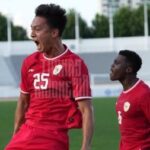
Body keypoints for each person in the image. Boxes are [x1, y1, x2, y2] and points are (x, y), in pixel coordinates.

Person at [5, 3, 94, 150]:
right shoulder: (29, 62)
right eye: (31, 29)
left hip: (53, 136)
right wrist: (16, 136)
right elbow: (23, 102)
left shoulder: (75, 65)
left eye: (37, 29)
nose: (32, 34)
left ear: (54, 33)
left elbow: (86, 110)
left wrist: (86, 146)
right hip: (26, 133)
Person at [110, 50, 150, 150]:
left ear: (128, 69)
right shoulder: (122, 95)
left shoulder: (144, 94)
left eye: (117, 63)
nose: (112, 66)